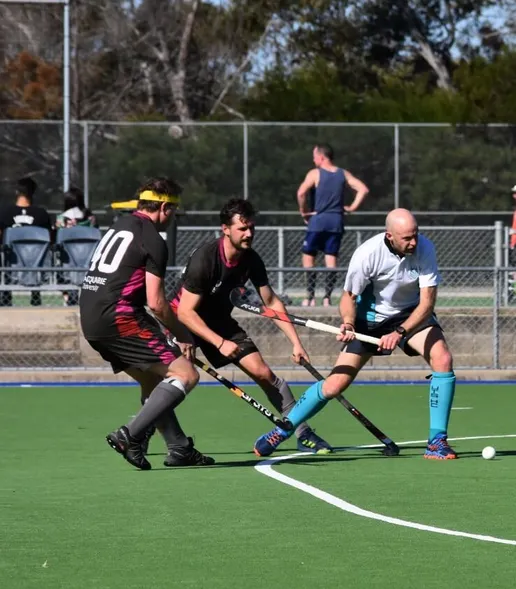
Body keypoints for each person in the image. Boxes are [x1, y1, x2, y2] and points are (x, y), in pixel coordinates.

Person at [253, 208, 459, 460]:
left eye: (415, 235)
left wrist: (399, 332)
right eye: (407, 238)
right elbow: (349, 297)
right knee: (333, 385)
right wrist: (349, 324)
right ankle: (282, 431)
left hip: (409, 316)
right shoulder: (367, 254)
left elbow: (427, 303)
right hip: (367, 321)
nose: (413, 242)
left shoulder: (424, 249)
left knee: (443, 358)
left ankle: (437, 441)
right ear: (389, 235)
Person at [172, 197, 333, 454]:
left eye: (252, 228)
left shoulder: (251, 260)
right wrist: (218, 343)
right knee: (175, 381)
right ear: (225, 229)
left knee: (265, 374)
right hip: (182, 324)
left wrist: (296, 342)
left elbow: (272, 303)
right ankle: (144, 431)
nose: (249, 234)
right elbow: (185, 311)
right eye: (242, 229)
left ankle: (302, 433)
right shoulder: (206, 259)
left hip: (219, 321)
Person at [78, 177, 213, 470]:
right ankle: (130, 435)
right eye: (173, 211)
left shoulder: (120, 225)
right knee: (186, 375)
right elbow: (156, 303)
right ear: (164, 207)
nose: (173, 218)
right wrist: (183, 334)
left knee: (153, 381)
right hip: (120, 317)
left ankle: (179, 448)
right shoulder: (153, 238)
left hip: (90, 318)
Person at [296, 144, 369, 307]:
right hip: (336, 222)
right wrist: (352, 208)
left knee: (308, 259)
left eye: (314, 156)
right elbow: (363, 189)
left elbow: (301, 193)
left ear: (321, 157)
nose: (313, 160)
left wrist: (304, 211)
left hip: (318, 221)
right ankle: (327, 298)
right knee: (331, 260)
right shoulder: (343, 174)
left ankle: (310, 298)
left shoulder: (315, 173)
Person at [0, 177, 53, 307]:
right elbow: (50, 239)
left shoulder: (5, 213)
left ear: (16, 192)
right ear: (33, 193)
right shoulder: (42, 214)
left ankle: (6, 296)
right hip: (36, 264)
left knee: (5, 253)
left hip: (11, 264)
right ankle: (35, 293)